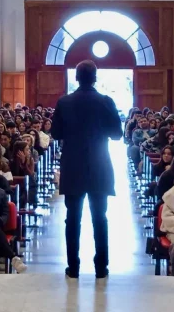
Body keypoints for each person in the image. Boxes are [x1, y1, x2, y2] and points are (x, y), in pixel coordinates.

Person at [51, 60, 123, 279]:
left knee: (72, 219)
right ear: (95, 78)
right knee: (100, 217)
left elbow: (55, 133)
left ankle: (73, 267)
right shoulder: (105, 101)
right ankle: (101, 267)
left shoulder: (64, 102)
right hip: (99, 164)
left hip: (73, 165)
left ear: (76, 78)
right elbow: (117, 134)